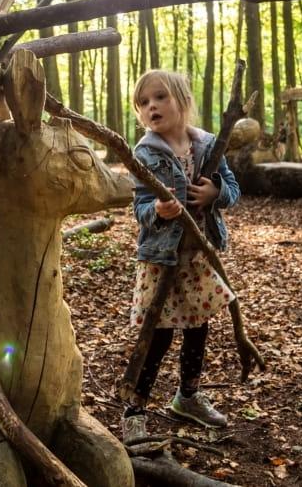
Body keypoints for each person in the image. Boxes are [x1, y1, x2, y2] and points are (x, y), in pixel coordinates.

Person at [122, 69, 241, 443]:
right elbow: (138, 206)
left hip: (198, 255)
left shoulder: (208, 145)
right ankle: (135, 409)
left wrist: (214, 194)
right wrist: (156, 211)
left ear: (182, 100)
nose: (151, 107)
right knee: (157, 333)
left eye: (159, 97)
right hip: (162, 258)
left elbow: (234, 189)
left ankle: (187, 396)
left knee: (198, 326)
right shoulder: (144, 153)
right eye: (143, 103)